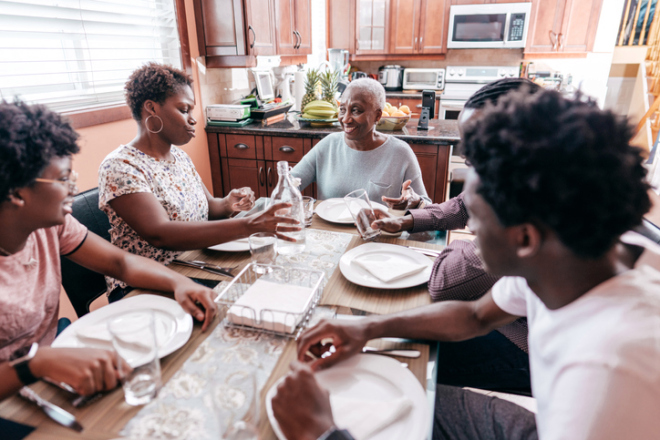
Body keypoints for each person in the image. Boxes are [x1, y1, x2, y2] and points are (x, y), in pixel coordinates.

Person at [272, 89, 660, 440]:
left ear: (524, 238)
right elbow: (475, 316)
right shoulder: (565, 258)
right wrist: (367, 327)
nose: (468, 226)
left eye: (475, 216)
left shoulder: (611, 368)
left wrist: (322, 437)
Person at [0, 100, 218, 400]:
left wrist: (179, 282)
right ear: (16, 193)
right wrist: (32, 365)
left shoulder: (51, 226)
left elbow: (121, 263)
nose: (73, 188)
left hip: (46, 370)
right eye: (63, 179)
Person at [375, 78, 542, 393]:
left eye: (476, 144)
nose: (465, 154)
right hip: (501, 314)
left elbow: (444, 284)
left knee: (400, 363)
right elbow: (462, 206)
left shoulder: (524, 212)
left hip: (523, 351)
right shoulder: (524, 174)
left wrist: (462, 242)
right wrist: (409, 221)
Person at [98, 63, 299, 301]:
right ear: (151, 108)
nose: (193, 120)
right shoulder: (121, 166)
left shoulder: (179, 157)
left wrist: (228, 204)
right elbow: (161, 234)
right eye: (184, 110)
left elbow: (210, 208)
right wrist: (250, 225)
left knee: (271, 283)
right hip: (143, 285)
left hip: (192, 265)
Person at [291, 78, 431, 208]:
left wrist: (416, 202)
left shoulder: (401, 153)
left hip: (378, 233)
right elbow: (289, 184)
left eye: (356, 111)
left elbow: (427, 207)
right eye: (342, 110)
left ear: (378, 115)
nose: (346, 119)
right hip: (329, 234)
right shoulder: (328, 145)